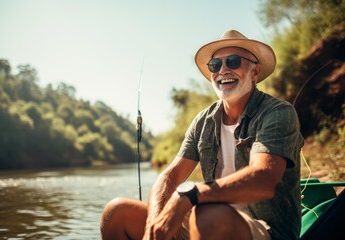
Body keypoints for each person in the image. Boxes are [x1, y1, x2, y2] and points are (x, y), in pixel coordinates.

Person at [100, 29, 304, 240]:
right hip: (206, 222)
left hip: (266, 230)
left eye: (233, 62)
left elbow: (263, 179)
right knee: (116, 212)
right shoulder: (203, 120)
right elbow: (169, 176)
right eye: (215, 65)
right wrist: (154, 222)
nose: (223, 70)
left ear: (255, 71)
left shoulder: (278, 112)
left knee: (208, 213)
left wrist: (190, 195)